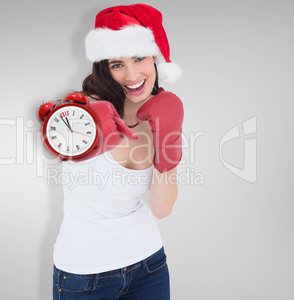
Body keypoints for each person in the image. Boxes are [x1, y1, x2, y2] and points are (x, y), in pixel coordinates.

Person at [47, 4, 184, 299]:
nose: (131, 74)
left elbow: (162, 209)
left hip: (149, 265)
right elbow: (55, 137)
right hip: (84, 275)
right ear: (104, 68)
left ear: (155, 58)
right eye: (117, 64)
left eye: (139, 58)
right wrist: (91, 132)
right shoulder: (83, 109)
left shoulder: (163, 111)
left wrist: (168, 147)